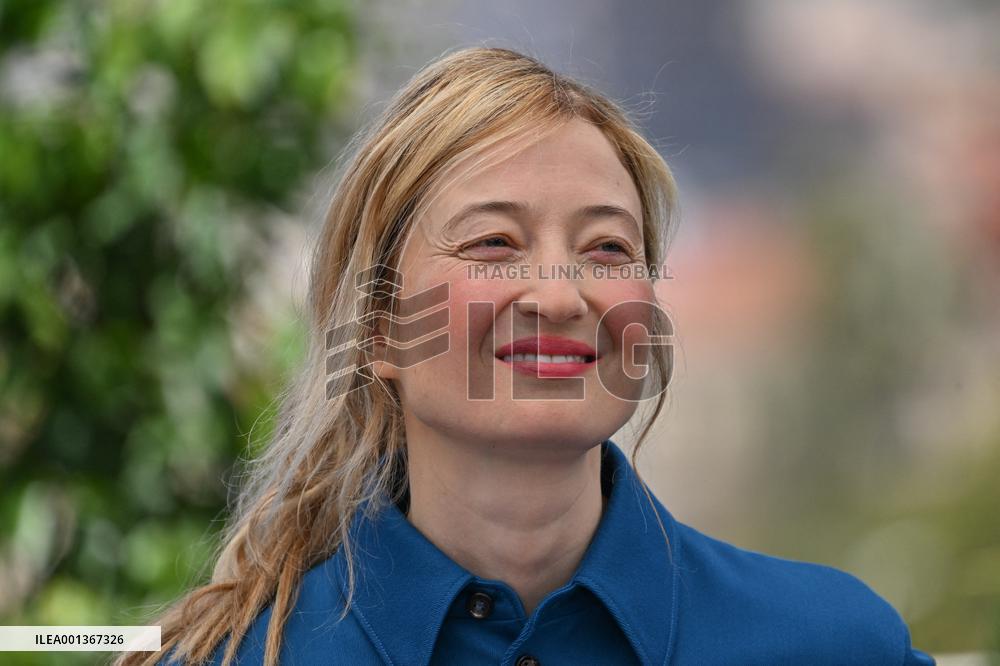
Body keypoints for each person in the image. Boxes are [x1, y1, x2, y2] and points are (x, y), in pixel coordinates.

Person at [125, 46, 935, 666]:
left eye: (608, 248)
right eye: (493, 243)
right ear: (375, 330)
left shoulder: (836, 642)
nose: (558, 296)